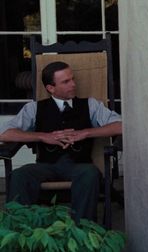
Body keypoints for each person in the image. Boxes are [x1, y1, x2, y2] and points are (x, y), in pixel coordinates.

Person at [0, 61, 122, 222]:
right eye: (66, 81)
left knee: (90, 173)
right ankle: (19, 232)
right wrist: (43, 136)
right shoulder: (34, 108)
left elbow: (121, 126)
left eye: (72, 79)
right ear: (51, 88)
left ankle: (83, 231)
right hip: (46, 166)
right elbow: (4, 133)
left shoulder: (90, 105)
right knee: (19, 175)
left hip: (79, 166)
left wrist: (85, 133)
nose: (73, 84)